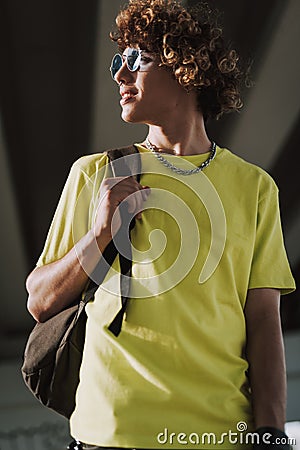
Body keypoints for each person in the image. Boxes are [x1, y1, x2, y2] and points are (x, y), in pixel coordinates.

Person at [26, 0, 296, 449]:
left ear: (186, 67)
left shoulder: (255, 187)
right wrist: (99, 235)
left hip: (217, 433)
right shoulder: (95, 174)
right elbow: (39, 301)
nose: (120, 74)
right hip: (107, 433)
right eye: (118, 61)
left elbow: (264, 320)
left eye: (137, 59)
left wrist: (271, 433)